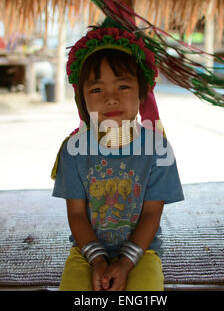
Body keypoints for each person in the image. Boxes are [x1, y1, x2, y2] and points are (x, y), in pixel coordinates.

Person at [51, 23, 184, 291]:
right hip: (87, 253)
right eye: (97, 90)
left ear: (142, 94)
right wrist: (98, 261)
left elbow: (150, 215)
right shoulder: (73, 151)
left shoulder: (158, 149)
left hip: (141, 252)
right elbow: (76, 215)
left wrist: (124, 264)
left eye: (123, 86)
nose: (110, 98)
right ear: (82, 100)